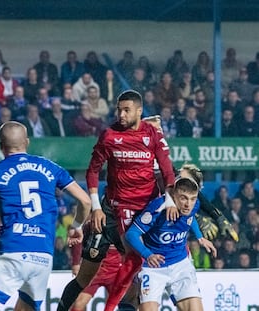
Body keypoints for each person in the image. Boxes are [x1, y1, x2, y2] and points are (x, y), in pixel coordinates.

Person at [0, 121, 91, 311]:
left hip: (12, 251)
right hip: (42, 255)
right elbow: (85, 201)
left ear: (0, 146)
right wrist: (76, 226)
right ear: (27, 142)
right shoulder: (50, 167)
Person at [57, 90, 176, 311]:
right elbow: (92, 171)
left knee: (139, 268)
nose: (121, 114)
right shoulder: (110, 135)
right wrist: (95, 207)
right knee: (84, 277)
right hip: (110, 211)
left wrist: (169, 200)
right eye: (119, 110)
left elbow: (168, 171)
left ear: (139, 111)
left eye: (126, 110)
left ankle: (113, 307)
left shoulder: (153, 135)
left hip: (143, 211)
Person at [125, 177, 217, 311]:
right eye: (183, 198)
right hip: (153, 268)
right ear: (173, 195)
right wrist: (148, 254)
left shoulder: (194, 205)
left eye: (192, 198)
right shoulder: (158, 208)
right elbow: (131, 234)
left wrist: (200, 237)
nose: (188, 204)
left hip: (181, 265)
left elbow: (190, 219)